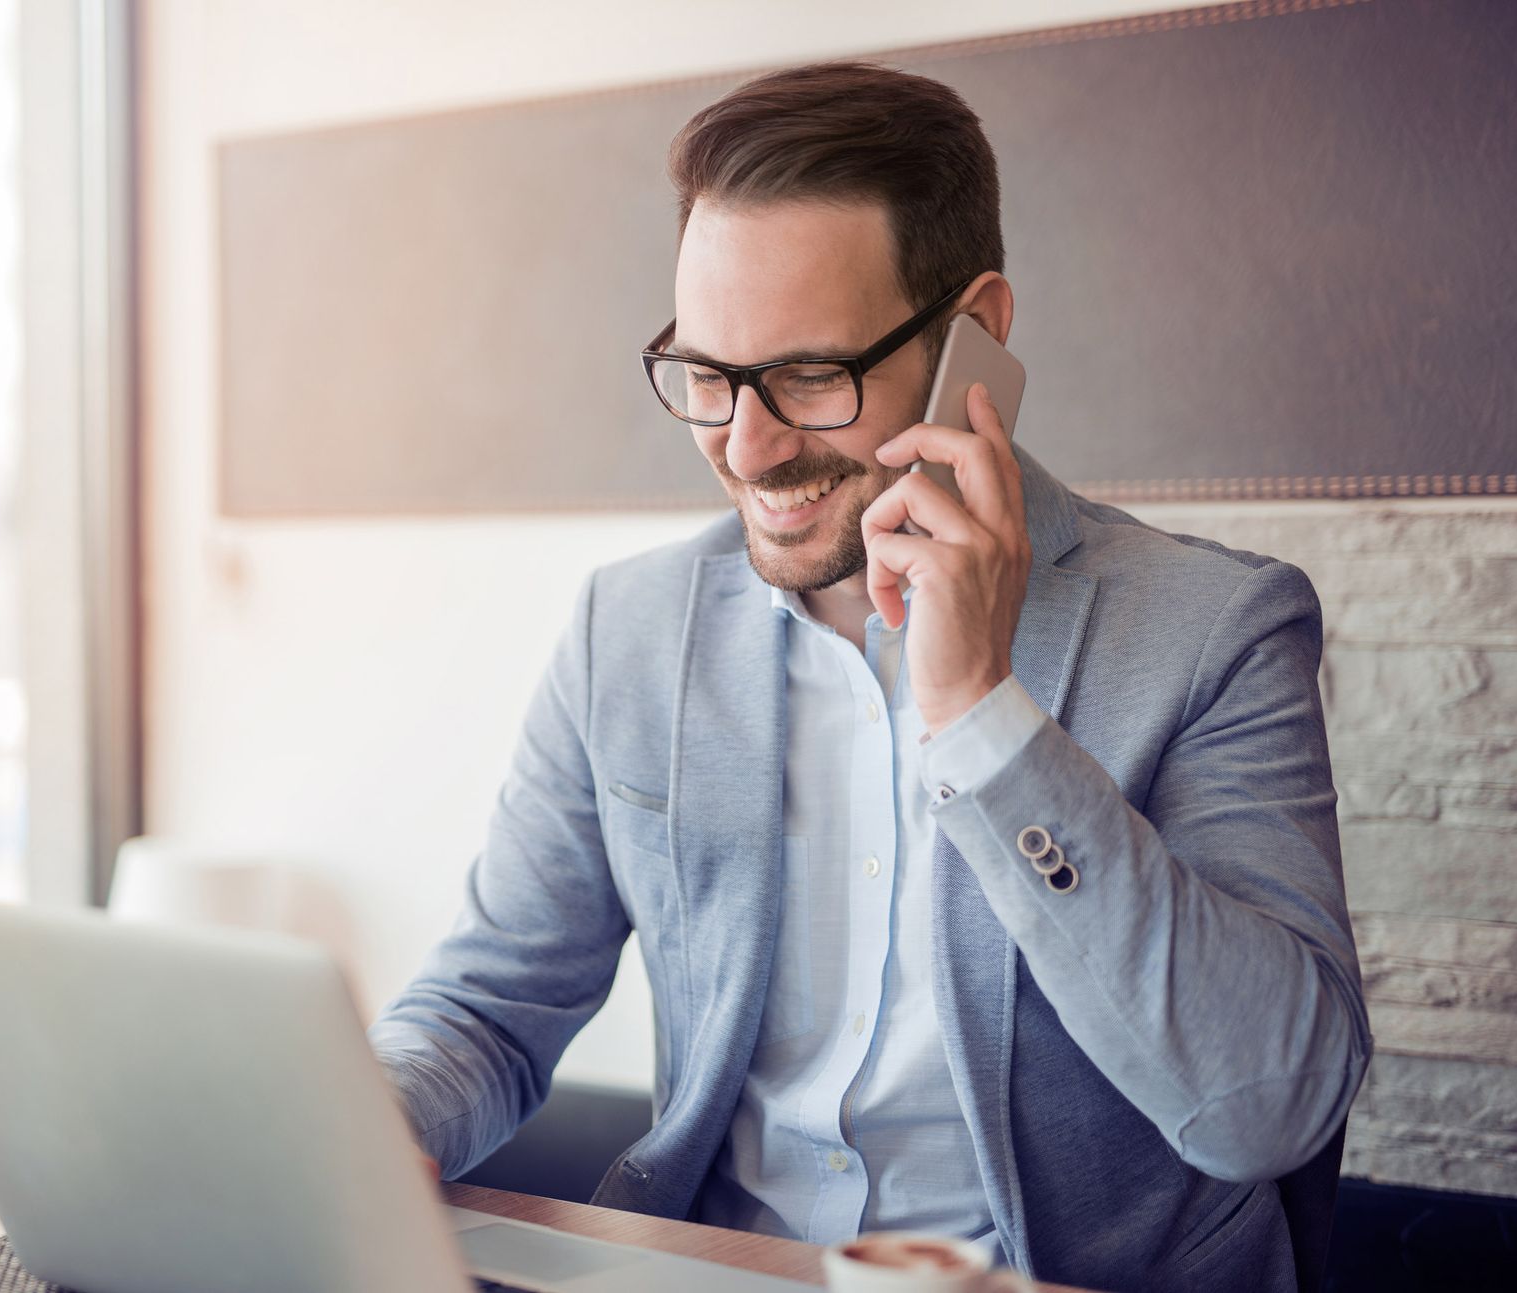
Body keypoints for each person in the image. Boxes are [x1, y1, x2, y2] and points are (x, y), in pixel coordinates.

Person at [369, 60, 1369, 1293]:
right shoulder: (626, 631)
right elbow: (487, 1007)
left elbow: (1269, 1104)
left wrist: (986, 723)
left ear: (977, 338)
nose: (747, 446)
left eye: (806, 377)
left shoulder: (1214, 630)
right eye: (709, 376)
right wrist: (365, 1133)